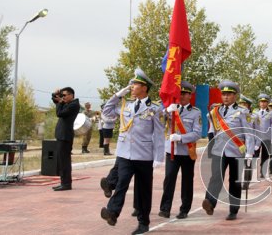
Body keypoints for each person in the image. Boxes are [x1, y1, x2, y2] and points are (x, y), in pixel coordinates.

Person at [100, 68, 164, 235]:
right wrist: (116, 95)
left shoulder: (155, 109)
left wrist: (159, 157)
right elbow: (106, 112)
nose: (132, 86)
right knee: (121, 184)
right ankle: (112, 213)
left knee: (143, 191)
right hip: (125, 154)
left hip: (144, 155)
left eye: (135, 84)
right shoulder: (125, 104)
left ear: (144, 87)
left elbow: (158, 134)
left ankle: (143, 223)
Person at [202, 80, 255, 221]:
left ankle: (233, 210)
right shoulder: (215, 111)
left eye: (229, 94)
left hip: (237, 151)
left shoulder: (243, 112)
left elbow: (249, 133)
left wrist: (250, 152)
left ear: (235, 95)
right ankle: (210, 203)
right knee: (215, 178)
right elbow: (212, 129)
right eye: (223, 94)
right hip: (219, 151)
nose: (225, 97)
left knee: (234, 182)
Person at [159, 81, 202, 220]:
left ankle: (184, 209)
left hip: (187, 152)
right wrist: (166, 111)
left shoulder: (196, 112)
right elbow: (158, 121)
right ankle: (165, 209)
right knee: (169, 180)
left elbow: (197, 133)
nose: (182, 96)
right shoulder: (172, 108)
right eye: (180, 93)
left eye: (185, 94)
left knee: (187, 181)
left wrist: (180, 137)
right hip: (171, 151)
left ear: (190, 96)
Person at [51, 87, 80, 191]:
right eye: (62, 95)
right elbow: (55, 99)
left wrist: (59, 102)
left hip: (65, 136)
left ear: (71, 95)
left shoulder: (74, 105)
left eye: (65, 95)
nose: (63, 97)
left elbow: (59, 113)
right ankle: (64, 182)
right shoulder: (67, 103)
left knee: (64, 161)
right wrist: (55, 94)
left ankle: (66, 184)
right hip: (61, 135)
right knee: (61, 161)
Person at [254, 93, 272, 178]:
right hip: (256, 137)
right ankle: (251, 171)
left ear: (267, 103)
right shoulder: (255, 112)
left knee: (265, 155)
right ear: (259, 103)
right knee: (254, 155)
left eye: (265, 102)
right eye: (261, 102)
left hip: (266, 137)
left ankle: (262, 171)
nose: (263, 103)